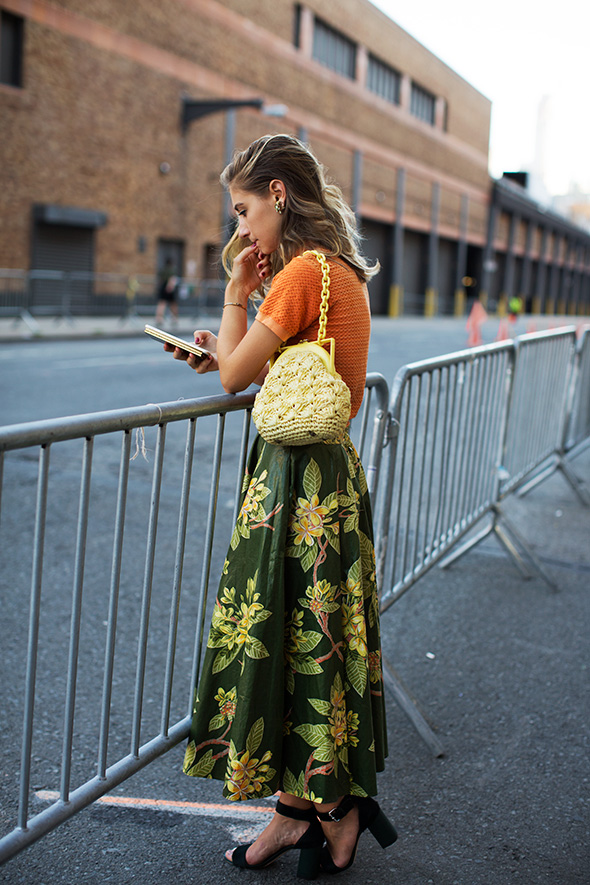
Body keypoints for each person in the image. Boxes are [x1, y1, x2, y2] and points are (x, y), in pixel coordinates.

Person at [164, 134, 395, 878]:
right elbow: (249, 367)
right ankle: (299, 813)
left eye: (243, 208)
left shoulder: (301, 273)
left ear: (279, 196)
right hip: (327, 481)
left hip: (296, 489)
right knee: (312, 638)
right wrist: (225, 345)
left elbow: (234, 375)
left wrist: (235, 290)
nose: (241, 228)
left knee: (290, 634)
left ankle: (334, 809)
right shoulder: (337, 273)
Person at [155, 258, 179, 324]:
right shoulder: (172, 270)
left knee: (162, 303)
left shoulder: (163, 270)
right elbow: (173, 279)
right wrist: (170, 287)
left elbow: (160, 279)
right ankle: (174, 318)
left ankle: (159, 318)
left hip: (163, 287)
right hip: (169, 287)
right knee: (173, 304)